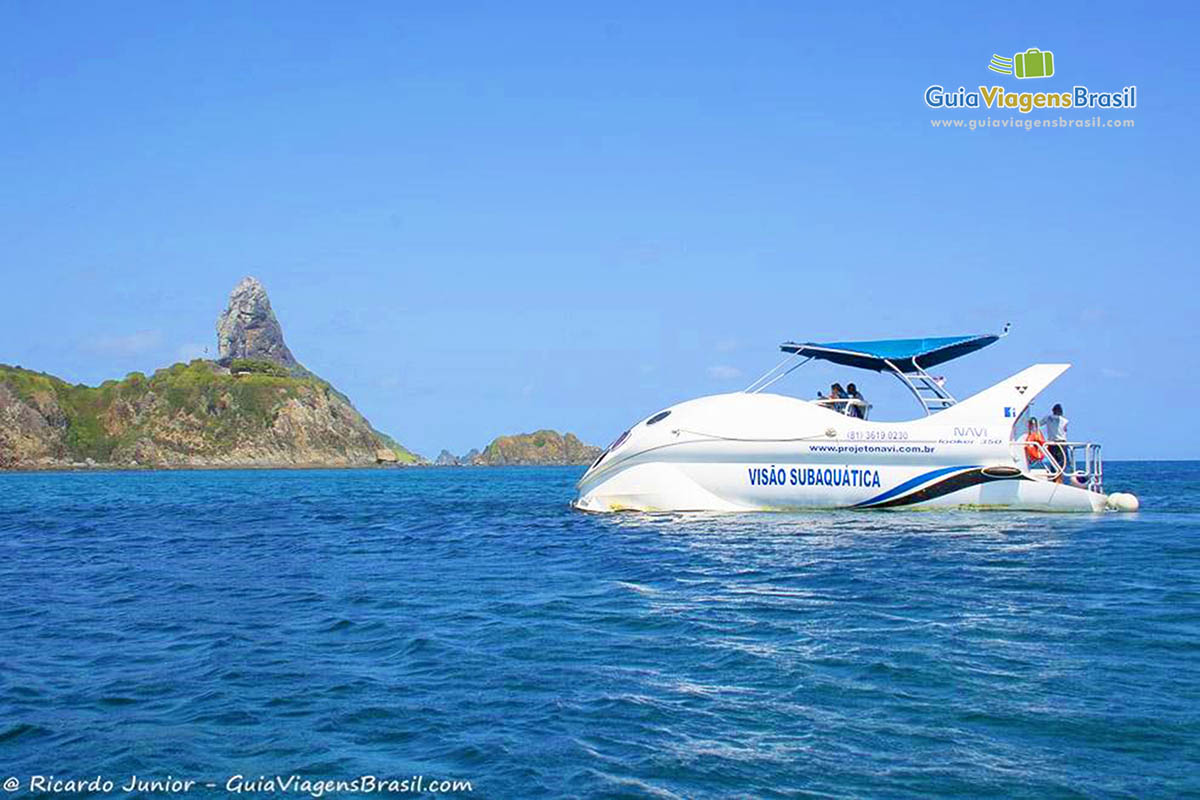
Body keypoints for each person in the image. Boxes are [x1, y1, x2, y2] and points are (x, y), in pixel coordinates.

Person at [1040, 403, 1070, 473]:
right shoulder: (1065, 420)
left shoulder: (1047, 418)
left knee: (1053, 461)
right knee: (1062, 462)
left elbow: (1039, 424)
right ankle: (1058, 477)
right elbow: (1065, 430)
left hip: (1052, 443)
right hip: (1061, 443)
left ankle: (1054, 475)